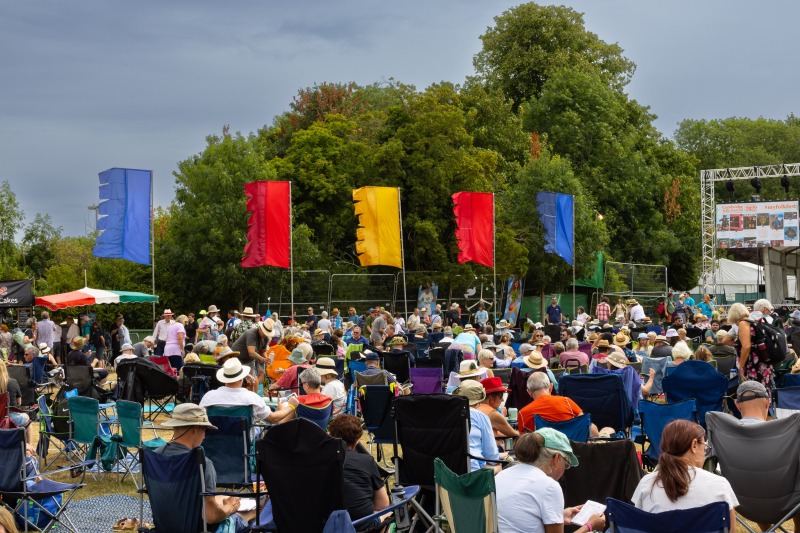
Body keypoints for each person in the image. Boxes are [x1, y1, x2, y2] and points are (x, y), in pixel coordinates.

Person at [156, 403, 250, 531]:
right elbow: (210, 516)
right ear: (195, 429)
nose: (205, 435)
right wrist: (230, 509)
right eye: (205, 430)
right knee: (249, 515)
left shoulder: (156, 456)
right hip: (196, 528)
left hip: (165, 526)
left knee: (221, 498)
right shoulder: (202, 463)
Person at [495, 429, 605, 533]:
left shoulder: (501, 476)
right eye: (566, 463)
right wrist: (589, 526)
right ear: (556, 458)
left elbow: (519, 519)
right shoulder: (549, 486)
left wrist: (560, 516)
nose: (565, 469)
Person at [632, 420, 738, 526]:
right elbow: (731, 530)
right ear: (694, 445)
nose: (705, 455)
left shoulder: (646, 484)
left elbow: (637, 526)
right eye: (705, 448)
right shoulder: (719, 485)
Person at [327, 415, 390, 522]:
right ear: (357, 442)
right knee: (387, 513)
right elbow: (382, 504)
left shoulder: (316, 461)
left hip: (325, 524)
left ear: (329, 436)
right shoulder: (366, 461)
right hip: (360, 523)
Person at [518, 372, 604, 437]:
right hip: (572, 451)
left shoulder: (523, 413)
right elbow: (587, 428)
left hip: (543, 456)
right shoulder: (567, 402)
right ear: (551, 387)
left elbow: (524, 443)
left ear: (529, 392)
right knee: (605, 429)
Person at [200, 358, 270, 433]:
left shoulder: (208, 397)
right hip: (243, 443)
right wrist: (284, 410)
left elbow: (199, 418)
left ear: (224, 378)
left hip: (214, 443)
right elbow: (273, 419)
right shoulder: (252, 398)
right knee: (260, 426)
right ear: (242, 379)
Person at [452, 379, 502, 473]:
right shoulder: (480, 416)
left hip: (447, 472)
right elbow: (491, 457)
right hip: (472, 471)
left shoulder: (447, 414)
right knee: (498, 466)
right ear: (479, 400)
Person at [729, 302, 774, 391]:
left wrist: (741, 367)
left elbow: (746, 346)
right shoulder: (755, 322)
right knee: (763, 390)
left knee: (752, 391)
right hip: (763, 362)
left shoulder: (743, 323)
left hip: (752, 364)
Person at [476, 377, 518, 444]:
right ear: (491, 398)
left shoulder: (476, 408)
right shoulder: (492, 414)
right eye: (501, 396)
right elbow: (514, 434)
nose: (502, 400)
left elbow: (496, 433)